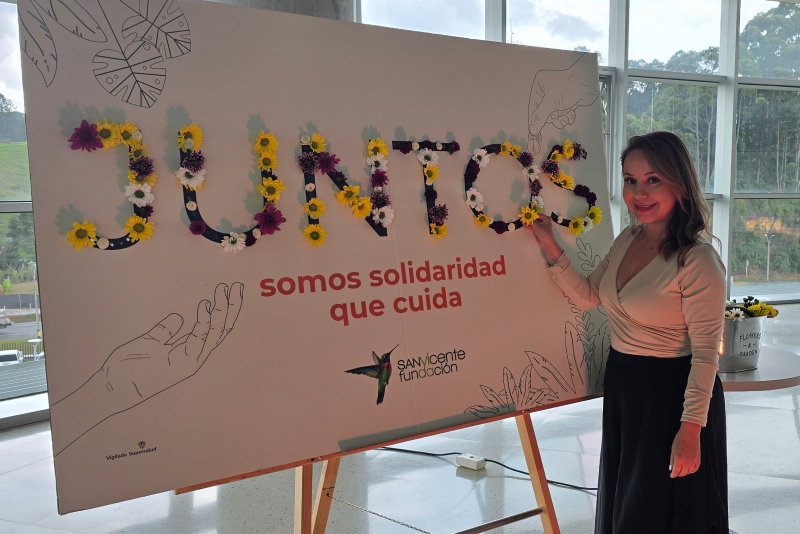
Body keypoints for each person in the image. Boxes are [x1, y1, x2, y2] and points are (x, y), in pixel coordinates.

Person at [528, 131, 728, 533]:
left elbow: (706, 354)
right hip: (625, 383)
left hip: (671, 396)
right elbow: (589, 296)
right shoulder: (629, 238)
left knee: (658, 511)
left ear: (679, 183)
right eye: (630, 180)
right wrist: (548, 243)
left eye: (653, 179)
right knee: (628, 501)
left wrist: (691, 430)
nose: (639, 192)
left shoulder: (698, 259)